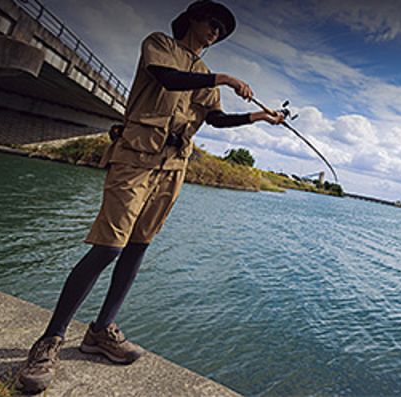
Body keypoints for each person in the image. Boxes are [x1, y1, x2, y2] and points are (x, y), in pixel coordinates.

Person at [18, 0, 284, 393]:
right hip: (135, 158)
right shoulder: (159, 44)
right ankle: (49, 341)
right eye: (212, 23)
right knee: (109, 247)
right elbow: (167, 79)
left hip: (173, 167)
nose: (215, 32)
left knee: (138, 246)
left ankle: (101, 331)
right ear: (192, 19)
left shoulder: (206, 73)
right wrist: (225, 79)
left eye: (221, 31)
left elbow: (215, 119)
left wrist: (259, 117)